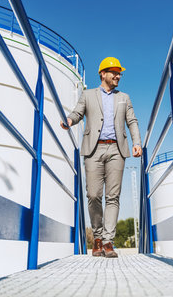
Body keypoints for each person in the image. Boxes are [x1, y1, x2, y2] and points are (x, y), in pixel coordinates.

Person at [61, 57, 142, 258]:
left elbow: (131, 121)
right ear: (102, 74)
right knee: (93, 195)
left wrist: (137, 142)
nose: (118, 76)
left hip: (117, 150)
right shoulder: (88, 95)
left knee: (113, 197)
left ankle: (108, 242)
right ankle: (97, 238)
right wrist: (69, 120)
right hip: (93, 150)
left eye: (119, 73)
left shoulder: (124, 97)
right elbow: (78, 113)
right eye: (114, 72)